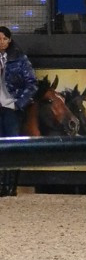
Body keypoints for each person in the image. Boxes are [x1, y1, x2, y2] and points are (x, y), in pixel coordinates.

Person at [0, 26, 37, 196]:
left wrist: (19, 103)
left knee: (12, 146)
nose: (1, 42)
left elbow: (31, 84)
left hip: (11, 108)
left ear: (9, 40)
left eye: (3, 39)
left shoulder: (19, 58)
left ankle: (9, 185)